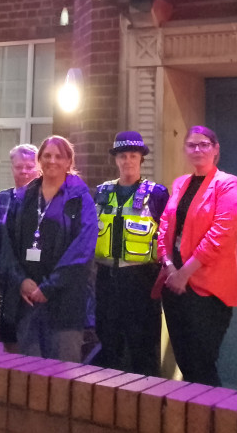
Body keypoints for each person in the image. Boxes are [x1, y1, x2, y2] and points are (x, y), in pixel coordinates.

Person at [157, 125, 237, 386]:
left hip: (207, 290)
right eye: (192, 145)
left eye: (204, 144)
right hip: (174, 287)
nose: (198, 149)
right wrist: (170, 266)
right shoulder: (180, 183)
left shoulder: (227, 183)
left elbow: (220, 234)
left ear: (216, 149)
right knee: (186, 365)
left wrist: (185, 273)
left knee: (202, 366)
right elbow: (164, 228)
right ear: (184, 149)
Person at [0, 135, 97, 362]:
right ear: (39, 160)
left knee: (62, 375)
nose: (52, 161)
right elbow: (7, 244)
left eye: (58, 156)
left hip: (64, 303)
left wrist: (50, 287)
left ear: (68, 161)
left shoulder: (81, 199)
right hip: (28, 300)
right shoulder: (24, 197)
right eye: (47, 156)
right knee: (30, 374)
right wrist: (21, 280)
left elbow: (82, 249)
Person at [92, 132, 169, 376]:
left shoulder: (156, 194)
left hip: (142, 281)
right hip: (106, 279)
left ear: (141, 159)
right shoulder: (102, 192)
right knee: (109, 344)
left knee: (143, 348)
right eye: (122, 156)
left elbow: (169, 236)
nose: (127, 161)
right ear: (115, 159)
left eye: (132, 156)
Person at [0, 143, 40, 351]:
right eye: (19, 167)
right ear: (12, 168)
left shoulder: (48, 203)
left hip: (36, 284)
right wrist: (11, 273)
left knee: (35, 344)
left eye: (30, 166)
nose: (25, 171)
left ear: (39, 168)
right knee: (9, 343)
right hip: (4, 281)